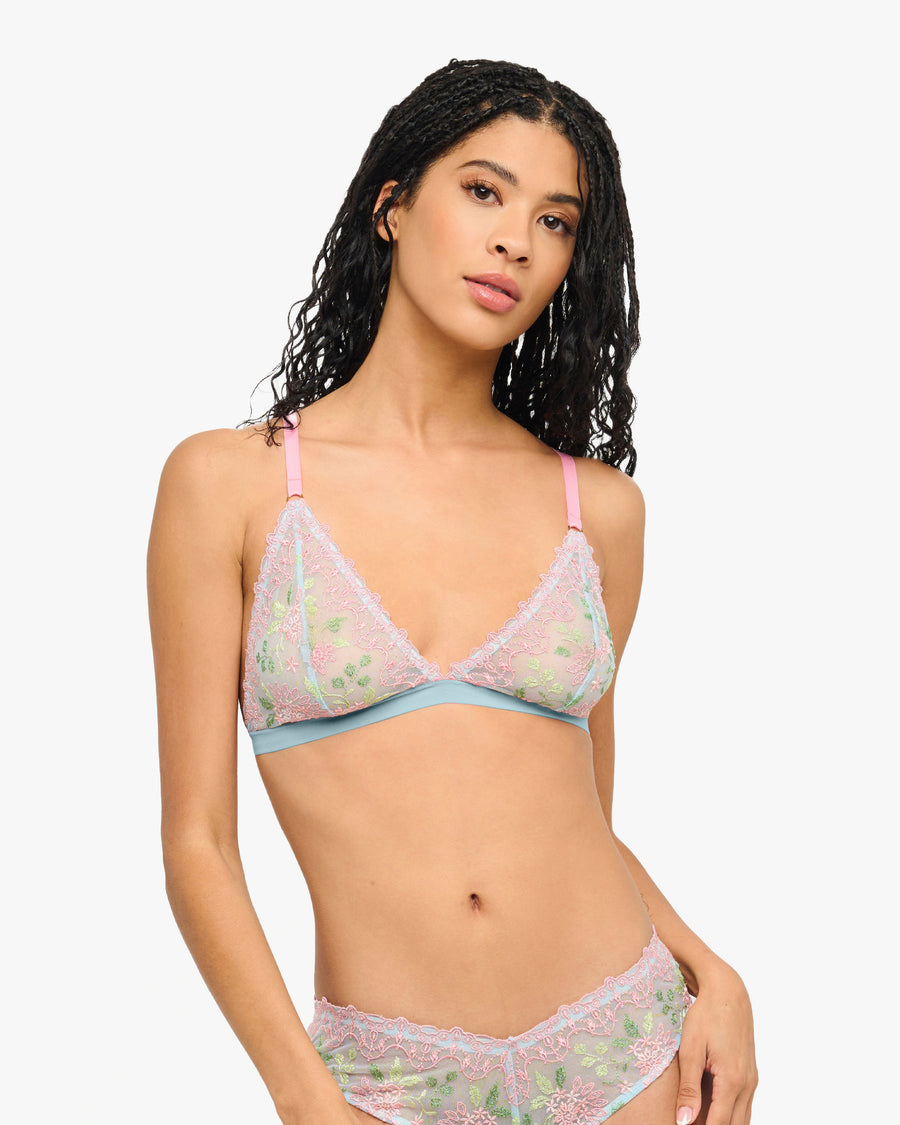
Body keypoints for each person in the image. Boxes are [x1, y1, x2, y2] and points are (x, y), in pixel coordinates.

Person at [147, 58, 757, 1125]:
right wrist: (306, 1099)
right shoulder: (230, 485)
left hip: (626, 1052)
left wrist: (715, 974)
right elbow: (197, 843)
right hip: (386, 1083)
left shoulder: (597, 511)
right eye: (484, 191)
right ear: (391, 205)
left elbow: (582, 817)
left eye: (555, 221)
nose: (516, 240)